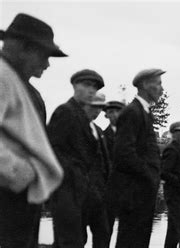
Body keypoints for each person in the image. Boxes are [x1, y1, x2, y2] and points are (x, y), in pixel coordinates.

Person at [0, 13, 65, 247]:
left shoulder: (21, 86)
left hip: (18, 204)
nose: (47, 64)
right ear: (24, 48)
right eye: (44, 55)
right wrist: (23, 172)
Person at [47, 69, 108, 247]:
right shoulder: (65, 112)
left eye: (94, 88)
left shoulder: (83, 119)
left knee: (78, 240)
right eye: (87, 85)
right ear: (75, 86)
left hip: (83, 194)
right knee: (69, 241)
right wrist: (74, 177)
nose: (91, 90)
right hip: (68, 192)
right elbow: (54, 152)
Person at [106, 68, 164, 247]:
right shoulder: (133, 112)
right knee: (130, 240)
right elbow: (124, 153)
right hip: (134, 194)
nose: (161, 89)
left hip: (142, 193)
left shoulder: (144, 112)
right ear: (145, 85)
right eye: (158, 84)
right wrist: (149, 175)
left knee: (139, 240)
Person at [82, 92, 112, 248]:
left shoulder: (98, 130)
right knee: (78, 236)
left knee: (103, 234)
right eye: (94, 107)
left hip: (99, 195)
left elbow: (104, 164)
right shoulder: (76, 126)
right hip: (80, 193)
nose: (97, 111)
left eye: (100, 108)